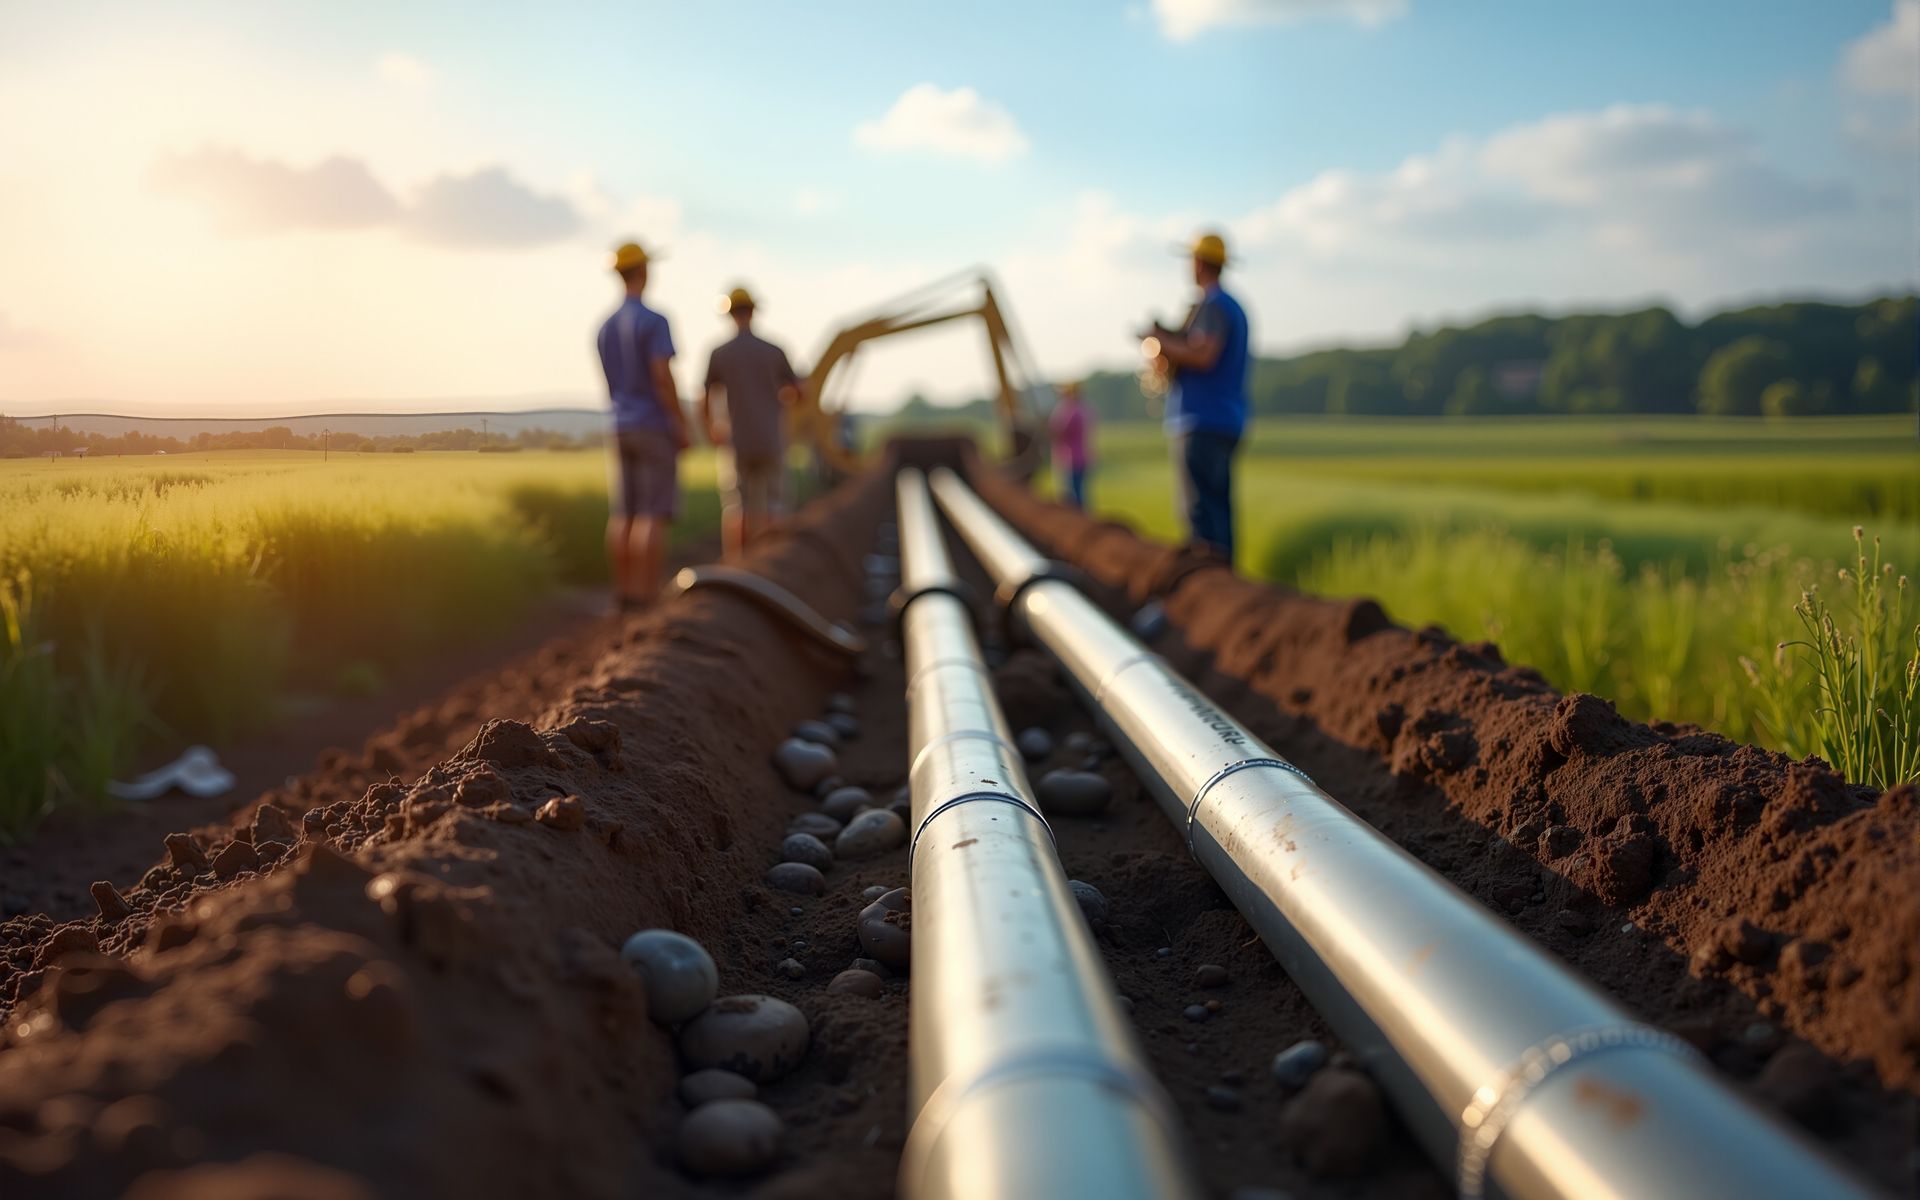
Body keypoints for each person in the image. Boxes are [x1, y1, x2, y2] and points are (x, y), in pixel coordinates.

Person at [1142, 231, 1251, 564]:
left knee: (1201, 516)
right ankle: (1226, 586)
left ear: (1199, 263)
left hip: (1201, 420)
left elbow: (1203, 355)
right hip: (1225, 419)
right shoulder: (1234, 307)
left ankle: (1210, 590)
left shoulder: (1213, 305)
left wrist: (1159, 341)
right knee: (1218, 510)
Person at [597, 240, 689, 610]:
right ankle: (648, 596)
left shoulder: (603, 327)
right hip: (652, 424)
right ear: (644, 272)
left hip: (619, 425)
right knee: (652, 514)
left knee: (624, 514)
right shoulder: (655, 321)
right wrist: (680, 422)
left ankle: (624, 592)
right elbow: (662, 377)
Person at [700, 286, 800, 556]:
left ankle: (737, 564)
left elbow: (705, 395)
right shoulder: (774, 351)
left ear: (730, 314)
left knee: (736, 506)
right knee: (775, 503)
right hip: (770, 439)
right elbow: (799, 391)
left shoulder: (720, 353)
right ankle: (773, 561)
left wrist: (710, 427)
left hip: (737, 441)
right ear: (753, 312)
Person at [1049, 380, 1093, 509]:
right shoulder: (1081, 409)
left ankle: (1080, 520)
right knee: (1078, 492)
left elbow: (1059, 432)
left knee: (1074, 494)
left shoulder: (1072, 412)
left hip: (1072, 459)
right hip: (1079, 457)